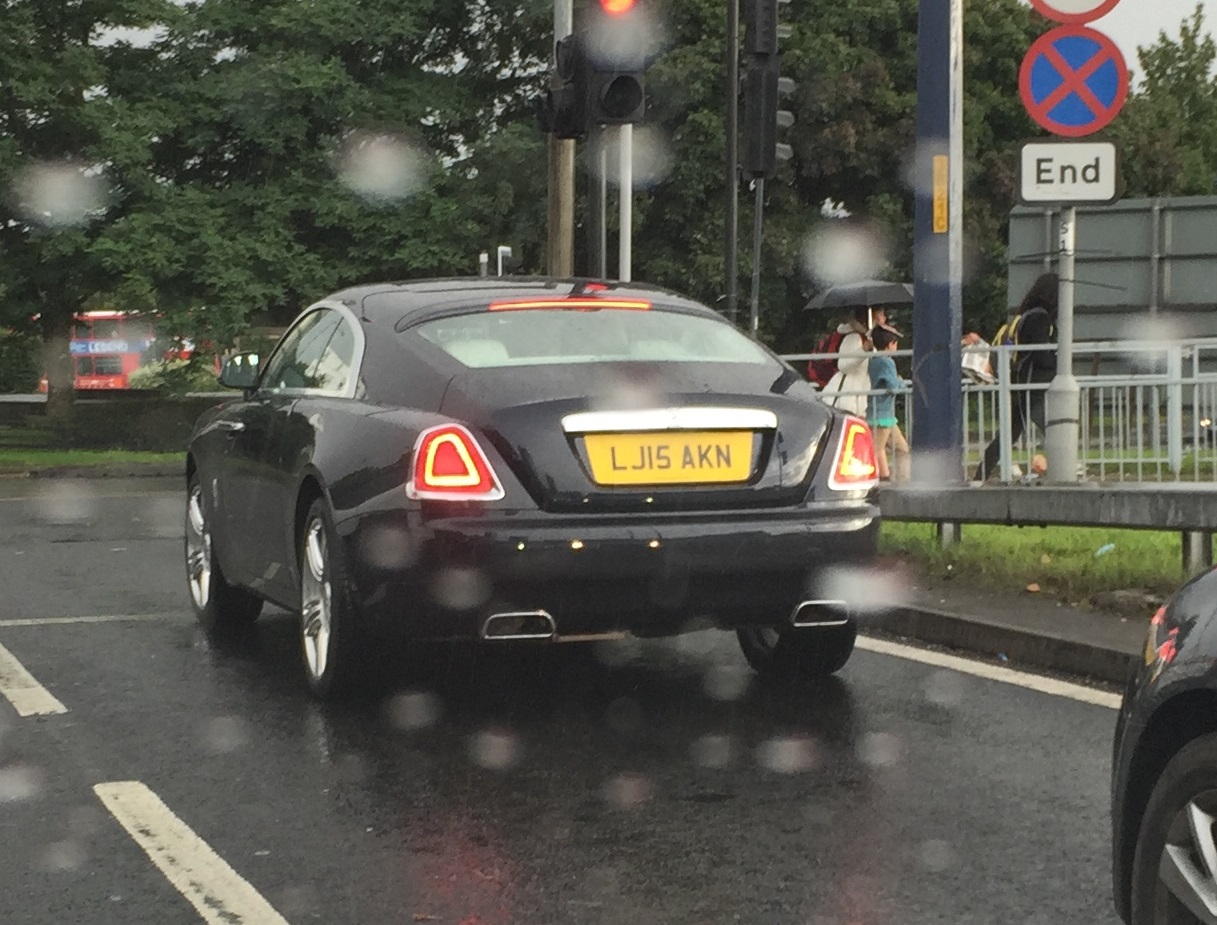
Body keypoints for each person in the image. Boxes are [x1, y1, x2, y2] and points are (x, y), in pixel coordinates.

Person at [974, 273, 1059, 482]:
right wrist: (1059, 363)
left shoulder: (1029, 315)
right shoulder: (1040, 318)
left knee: (1009, 435)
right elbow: (1040, 355)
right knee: (1057, 431)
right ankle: (1060, 474)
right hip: (1033, 386)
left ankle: (979, 477)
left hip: (1024, 384)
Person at [867, 324, 910, 482]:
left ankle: (903, 481)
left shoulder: (874, 360)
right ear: (890, 344)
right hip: (881, 416)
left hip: (885, 415)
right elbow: (894, 387)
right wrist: (901, 382)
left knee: (902, 449)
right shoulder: (887, 362)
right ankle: (884, 480)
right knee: (878, 449)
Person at [818, 307, 872, 416]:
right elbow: (843, 365)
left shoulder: (868, 338)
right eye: (881, 313)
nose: (884, 317)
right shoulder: (854, 338)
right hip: (846, 400)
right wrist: (863, 351)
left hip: (857, 399)